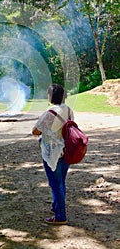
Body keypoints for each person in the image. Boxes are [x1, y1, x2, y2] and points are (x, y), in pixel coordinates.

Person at [32, 83, 74, 225]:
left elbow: (35, 131)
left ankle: (60, 216)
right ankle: (57, 207)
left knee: (55, 185)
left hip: (53, 153)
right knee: (60, 182)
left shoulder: (50, 113)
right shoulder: (68, 110)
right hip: (66, 151)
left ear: (51, 96)